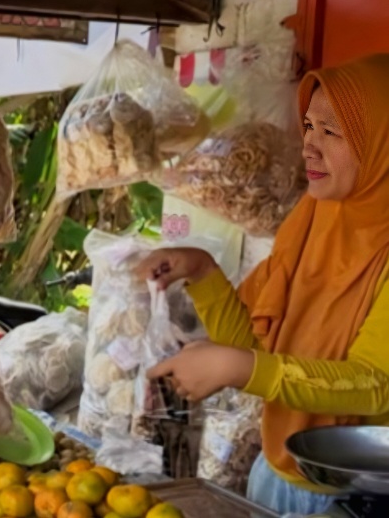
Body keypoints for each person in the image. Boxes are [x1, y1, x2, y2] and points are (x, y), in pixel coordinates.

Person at [135, 53, 389, 515]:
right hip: (277, 474)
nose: (309, 146)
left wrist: (242, 368)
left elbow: (376, 385)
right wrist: (204, 272)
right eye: (309, 126)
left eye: (331, 132)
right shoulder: (314, 220)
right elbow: (259, 350)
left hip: (361, 500)